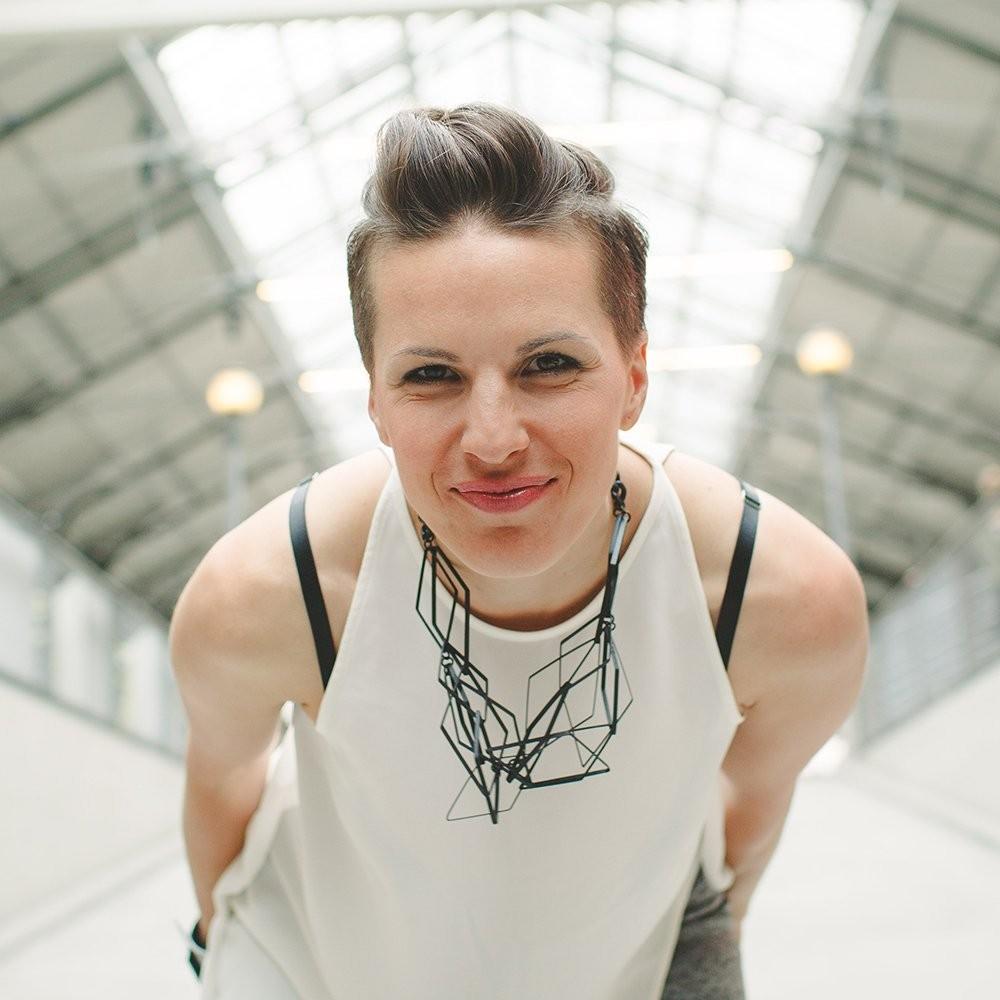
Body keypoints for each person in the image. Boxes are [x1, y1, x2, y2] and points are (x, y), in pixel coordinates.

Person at [170, 102, 869, 999]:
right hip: (313, 964)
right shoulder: (270, 592)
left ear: (636, 376)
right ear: (375, 400)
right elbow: (222, 794)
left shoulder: (775, 598)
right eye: (432, 375)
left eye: (549, 365)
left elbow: (744, 818)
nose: (494, 439)